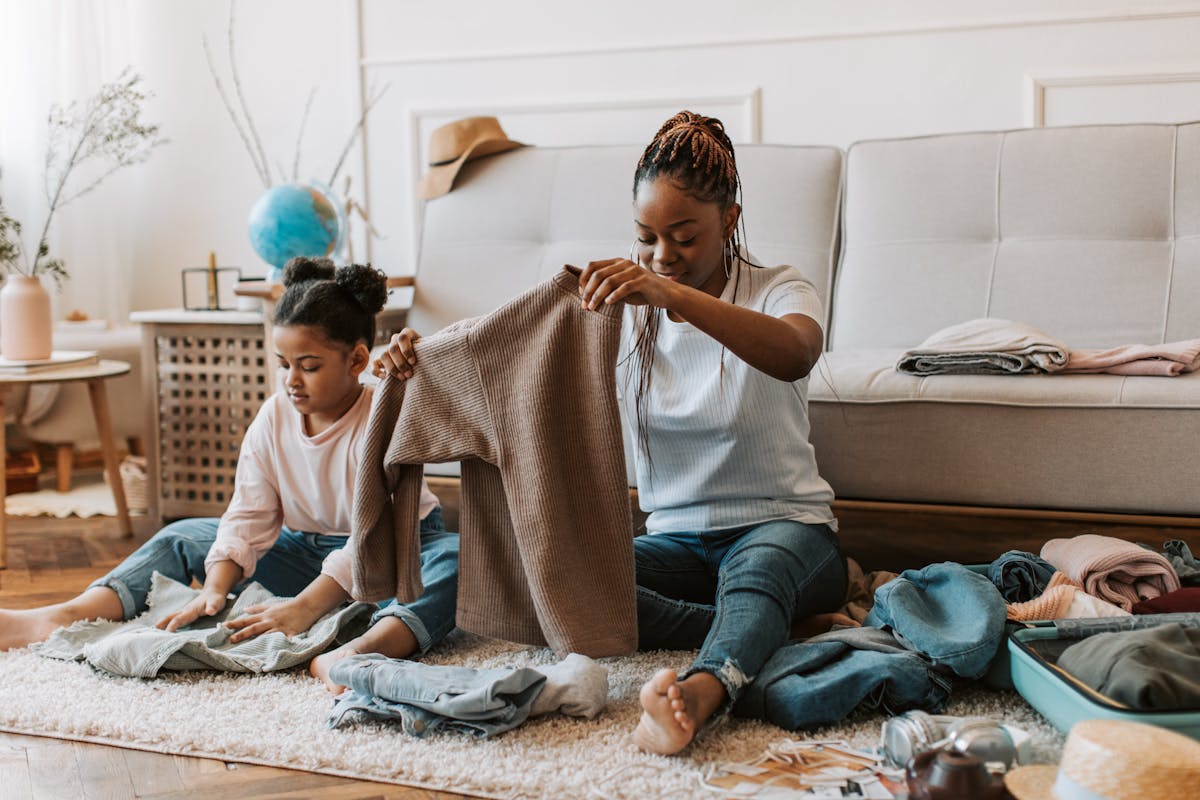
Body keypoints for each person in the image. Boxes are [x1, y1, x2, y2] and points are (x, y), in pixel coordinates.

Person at [0, 258, 460, 692]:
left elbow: (371, 538)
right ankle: (68, 614)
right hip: (306, 552)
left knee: (455, 559)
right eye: (284, 364)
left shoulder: (384, 411)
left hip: (394, 552)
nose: (291, 380)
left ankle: (362, 651)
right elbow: (248, 514)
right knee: (183, 536)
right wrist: (215, 588)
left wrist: (304, 608)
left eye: (309, 366)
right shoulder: (274, 417)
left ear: (357, 361)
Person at [575, 110, 848, 754]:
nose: (662, 257)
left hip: (784, 530)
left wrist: (671, 297)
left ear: (728, 219)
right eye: (646, 238)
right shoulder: (624, 306)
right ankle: (771, 627)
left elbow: (795, 354)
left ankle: (700, 693)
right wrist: (415, 357)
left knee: (757, 577)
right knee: (568, 582)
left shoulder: (781, 288)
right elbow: (514, 355)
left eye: (683, 237)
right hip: (678, 545)